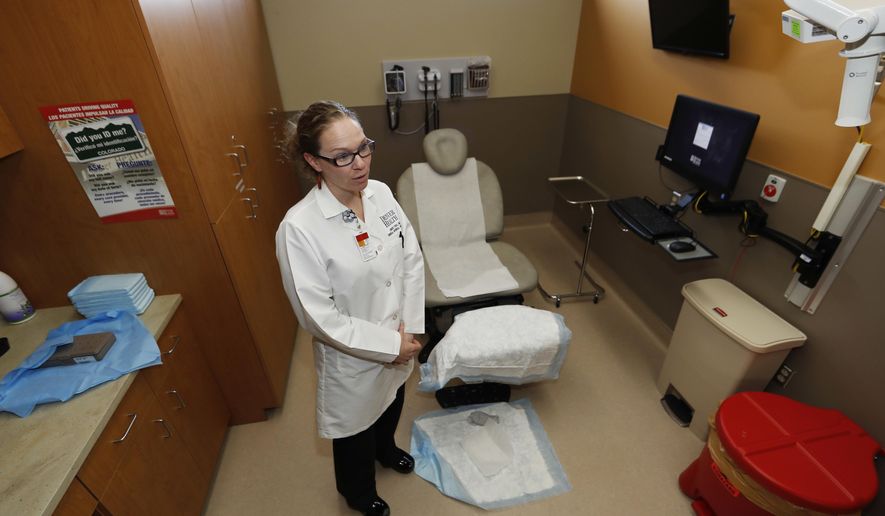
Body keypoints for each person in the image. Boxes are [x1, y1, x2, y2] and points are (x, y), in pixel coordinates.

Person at [275, 100, 424, 516]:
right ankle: (357, 493)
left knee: (393, 399)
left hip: (401, 335)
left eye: (364, 148)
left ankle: (387, 450)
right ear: (313, 161)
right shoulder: (299, 228)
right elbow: (317, 317)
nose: (359, 164)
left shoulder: (380, 193)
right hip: (353, 353)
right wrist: (389, 345)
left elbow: (409, 256)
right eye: (342, 156)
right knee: (356, 427)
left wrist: (411, 328)